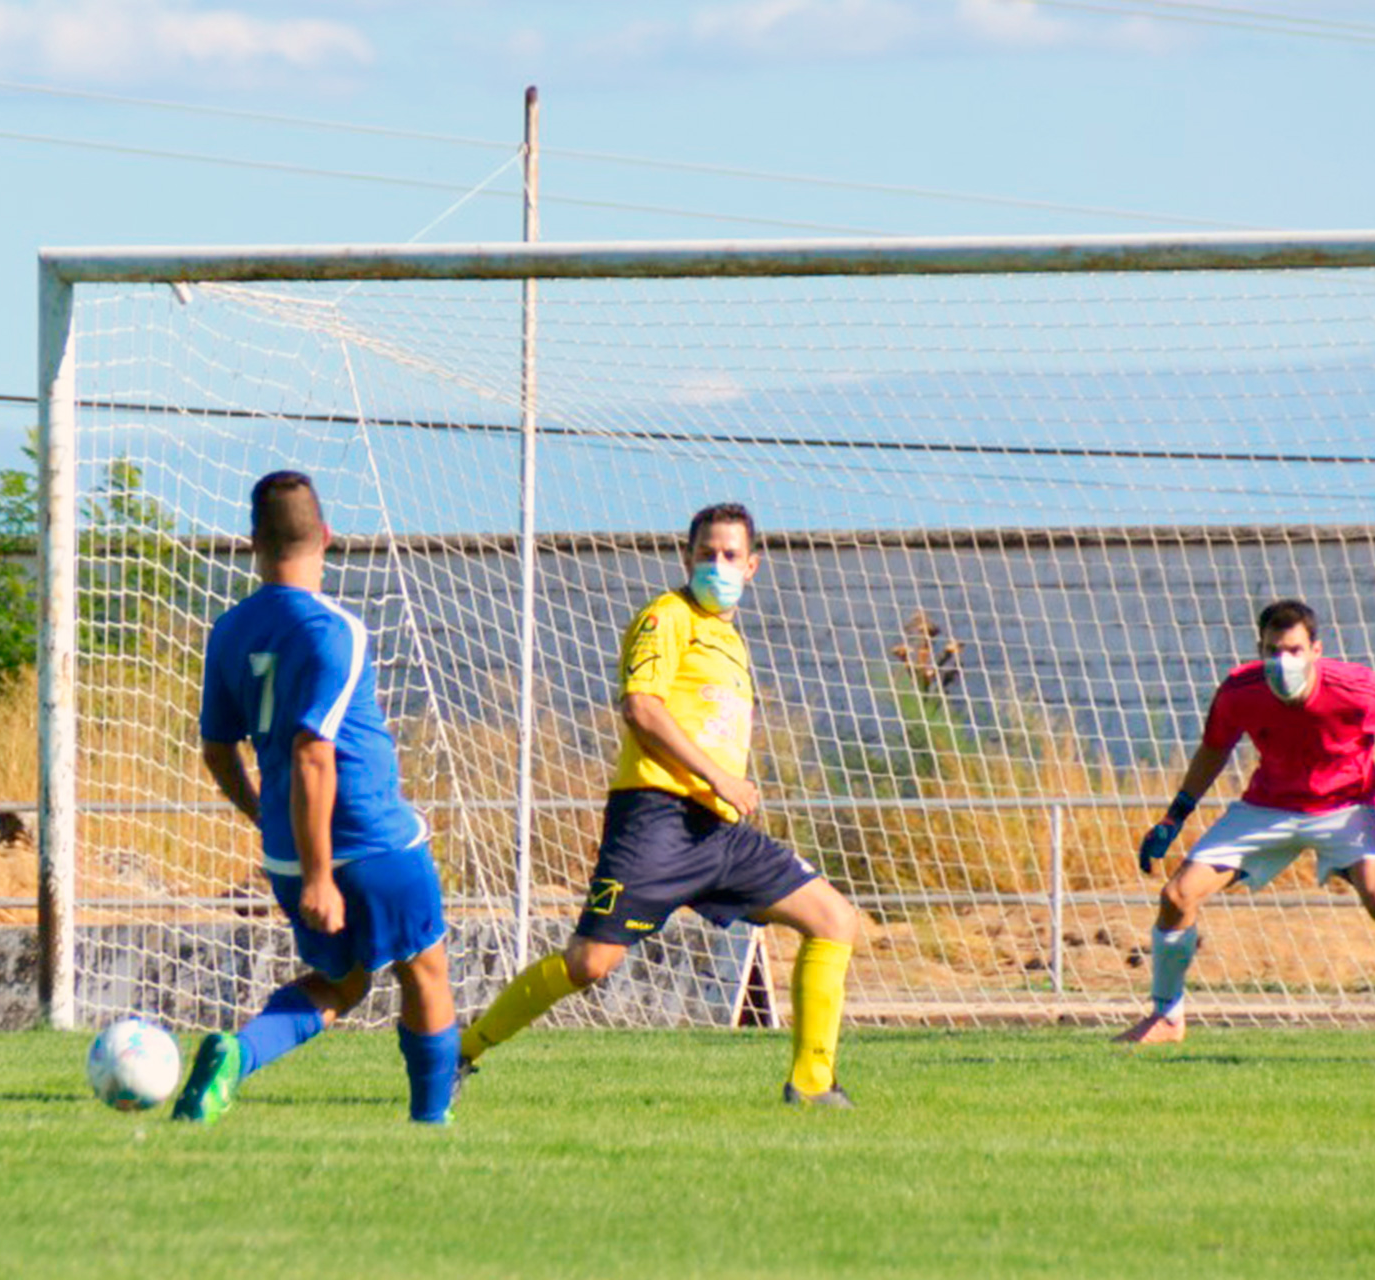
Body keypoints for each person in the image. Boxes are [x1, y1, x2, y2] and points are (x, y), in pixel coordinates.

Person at [458, 502, 864, 1105]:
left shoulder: (729, 638)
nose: (717, 565)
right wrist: (720, 777)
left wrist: (723, 789)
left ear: (752, 566)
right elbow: (641, 708)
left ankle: (811, 1084)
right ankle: (459, 1052)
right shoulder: (666, 617)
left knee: (834, 920)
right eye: (706, 554)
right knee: (590, 964)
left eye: (730, 555)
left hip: (719, 831)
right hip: (657, 819)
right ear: (686, 557)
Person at [174, 470, 460, 1124]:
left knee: (341, 982)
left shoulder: (230, 629)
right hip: (368, 839)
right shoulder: (336, 629)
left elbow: (218, 749)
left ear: (253, 541)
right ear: (326, 536)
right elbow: (313, 752)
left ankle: (236, 1058)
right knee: (426, 971)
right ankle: (431, 1124)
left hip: (286, 845)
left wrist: (269, 823)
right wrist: (322, 873)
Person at [1115, 599, 1375, 1051]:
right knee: (1176, 896)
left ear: (1315, 649)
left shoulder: (1354, 686)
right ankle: (1167, 1018)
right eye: (1272, 650)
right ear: (1259, 648)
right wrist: (1175, 815)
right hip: (1267, 809)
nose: (1283, 661)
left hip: (1346, 807)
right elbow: (1214, 749)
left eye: (1294, 650)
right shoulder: (1240, 689)